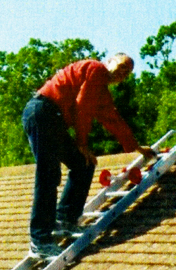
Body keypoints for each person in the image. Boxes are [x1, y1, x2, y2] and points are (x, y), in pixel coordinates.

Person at [22, 53, 156, 258]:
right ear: (109, 62)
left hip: (53, 119)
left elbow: (113, 120)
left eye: (128, 72)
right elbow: (82, 106)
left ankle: (66, 220)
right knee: (48, 174)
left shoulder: (101, 91)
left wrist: (137, 148)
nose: (123, 73)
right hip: (43, 112)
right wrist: (82, 143)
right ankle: (39, 240)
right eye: (121, 66)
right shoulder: (95, 69)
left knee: (83, 165)